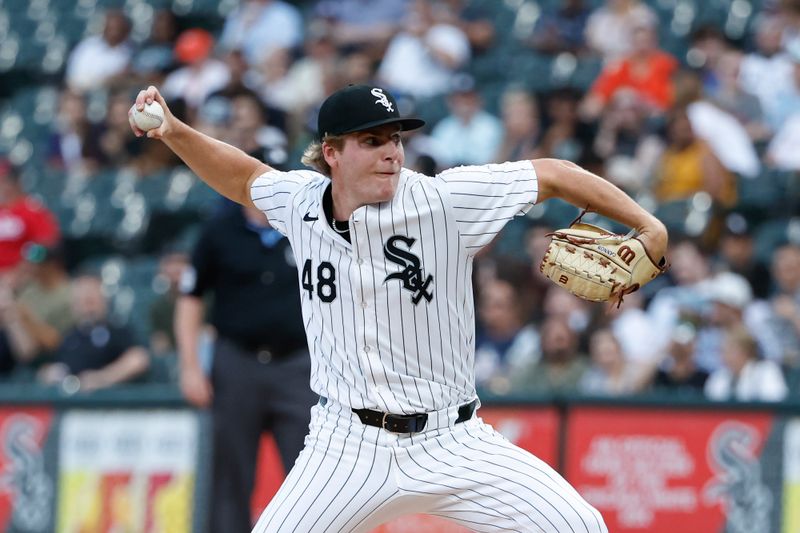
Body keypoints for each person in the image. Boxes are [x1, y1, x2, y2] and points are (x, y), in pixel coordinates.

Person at [130, 82, 668, 532]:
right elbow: (244, 177)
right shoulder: (300, 204)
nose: (392, 151)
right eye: (372, 140)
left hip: (454, 441)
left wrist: (648, 225)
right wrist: (173, 130)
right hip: (345, 446)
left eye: (395, 138)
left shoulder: (444, 201)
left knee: (581, 528)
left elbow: (552, 173)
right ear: (332, 153)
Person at [175, 200, 317, 533]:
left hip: (298, 366)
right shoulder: (218, 231)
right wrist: (190, 365)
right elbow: (190, 296)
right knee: (229, 477)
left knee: (311, 472)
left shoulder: (307, 225)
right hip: (238, 363)